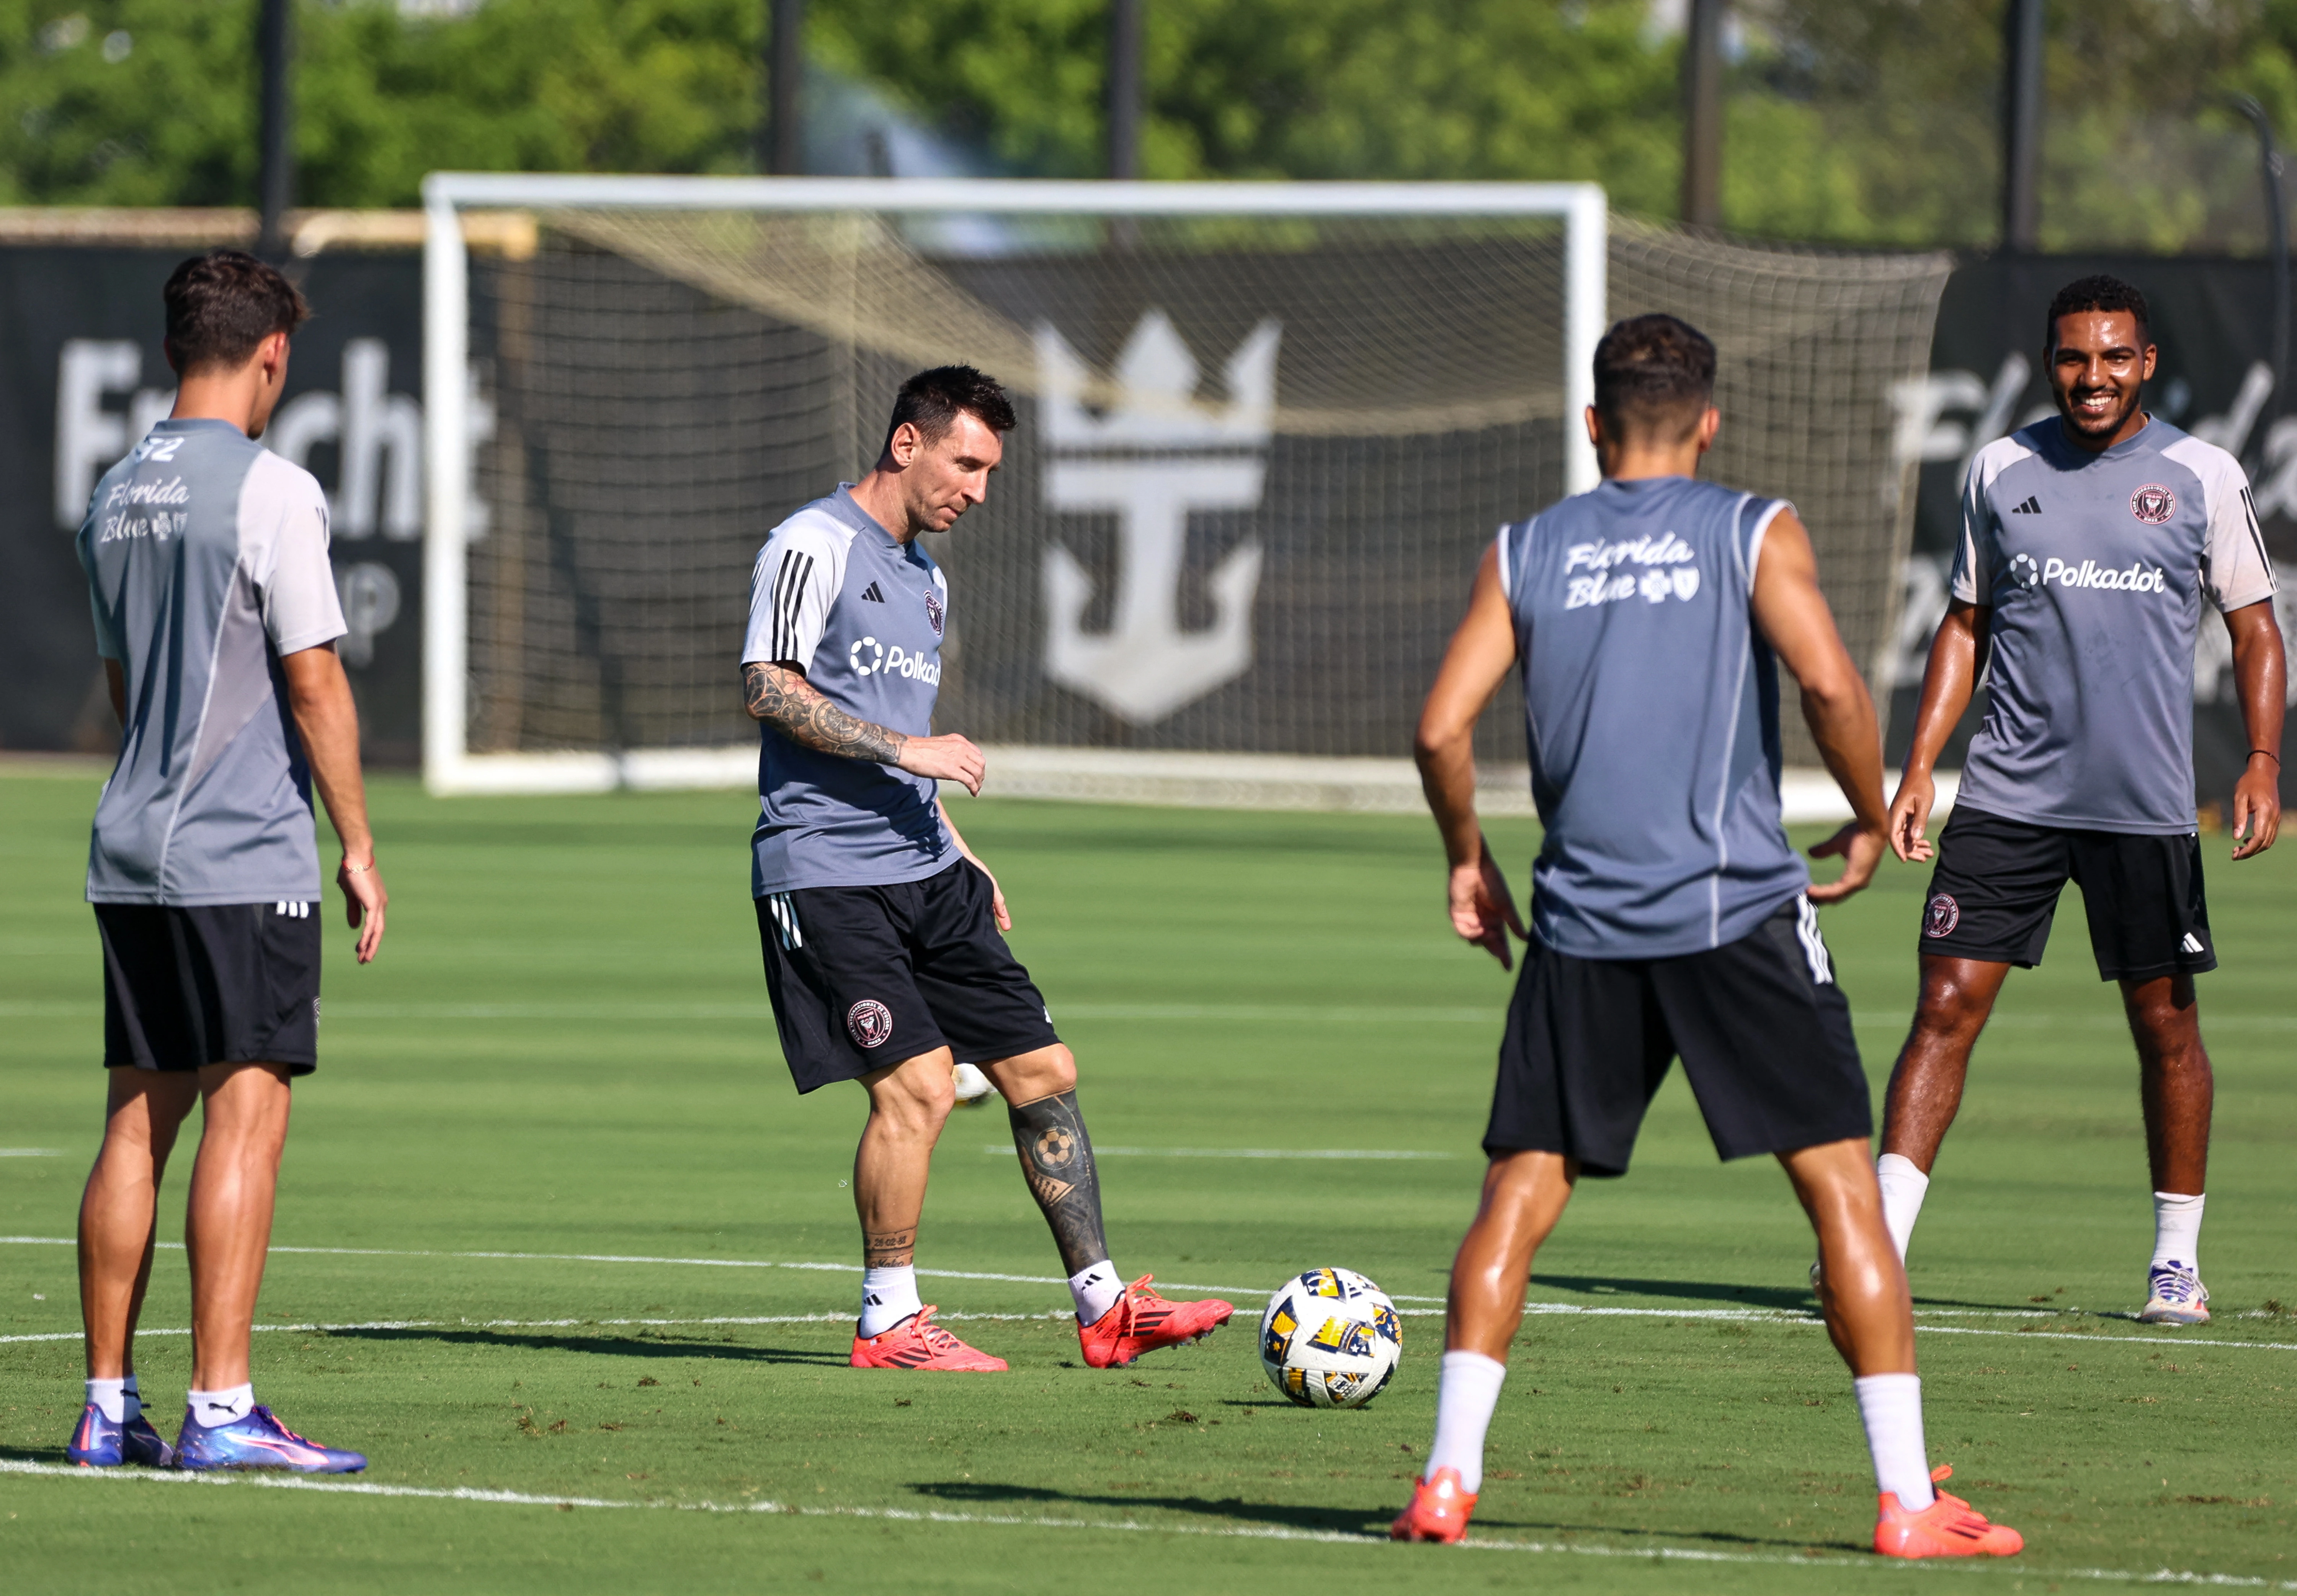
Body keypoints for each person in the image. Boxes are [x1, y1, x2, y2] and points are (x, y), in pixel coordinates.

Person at [1389, 315, 2021, 1558]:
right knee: (1842, 1189)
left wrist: (1468, 857)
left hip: (1580, 927)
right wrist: (1859, 813)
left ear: (1590, 425)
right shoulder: (1752, 529)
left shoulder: (1526, 549)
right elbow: (1834, 688)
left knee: (1519, 1195)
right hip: (1736, 917)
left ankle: (1447, 1481)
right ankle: (1905, 1502)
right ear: (1711, 421)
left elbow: (1438, 730)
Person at [741, 365, 1232, 1372]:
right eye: (967, 463)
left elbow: (907, 737)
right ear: (907, 444)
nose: (978, 489)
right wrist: (905, 752)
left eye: (992, 470)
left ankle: (1105, 1310)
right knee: (918, 1088)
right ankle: (889, 1321)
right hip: (827, 871)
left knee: (1043, 1072)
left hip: (928, 866)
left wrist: (961, 850)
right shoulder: (812, 544)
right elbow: (768, 688)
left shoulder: (927, 578)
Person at [1877, 275, 2281, 1325]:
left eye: (2112, 358)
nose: (2091, 378)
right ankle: (1879, 1254)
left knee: (2165, 1029)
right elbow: (1963, 626)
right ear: (2051, 361)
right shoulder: (2000, 469)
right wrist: (1920, 764)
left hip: (2144, 804)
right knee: (1943, 1007)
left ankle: (2176, 1265)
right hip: (2009, 793)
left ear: (2146, 361)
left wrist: (2264, 760)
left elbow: (2254, 628)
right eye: (2072, 358)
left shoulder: (2202, 473)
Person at [69, 250, 385, 1473]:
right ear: (273, 357)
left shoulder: (112, 493)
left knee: (136, 1124)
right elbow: (315, 681)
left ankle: (108, 1408)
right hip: (241, 851)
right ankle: (220, 1409)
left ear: (169, 352)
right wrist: (356, 842)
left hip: (129, 841)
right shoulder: (274, 491)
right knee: (245, 1120)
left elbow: (118, 686)